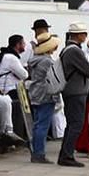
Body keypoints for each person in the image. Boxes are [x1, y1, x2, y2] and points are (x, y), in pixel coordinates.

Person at [24, 32, 65, 164]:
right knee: (43, 125)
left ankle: (36, 150)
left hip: (35, 92)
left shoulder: (34, 60)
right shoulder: (47, 61)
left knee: (37, 124)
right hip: (46, 94)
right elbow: (53, 78)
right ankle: (39, 153)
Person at [58, 24, 89, 168]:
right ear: (77, 35)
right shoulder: (75, 51)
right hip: (76, 91)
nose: (85, 36)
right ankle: (67, 155)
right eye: (83, 33)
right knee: (76, 124)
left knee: (72, 124)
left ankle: (65, 154)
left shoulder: (68, 49)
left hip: (72, 91)